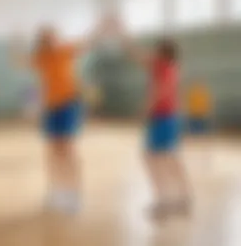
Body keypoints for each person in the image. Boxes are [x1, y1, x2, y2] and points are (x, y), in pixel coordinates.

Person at [12, 24, 105, 214]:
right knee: (53, 151)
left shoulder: (65, 50)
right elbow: (19, 62)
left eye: (51, 37)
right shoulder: (41, 58)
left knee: (68, 149)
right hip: (50, 108)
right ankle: (56, 190)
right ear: (41, 42)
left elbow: (88, 42)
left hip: (68, 105)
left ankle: (74, 194)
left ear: (57, 38)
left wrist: (101, 27)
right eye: (45, 38)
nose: (49, 40)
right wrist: (15, 44)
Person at [113, 20, 192, 220]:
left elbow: (161, 90)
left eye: (156, 49)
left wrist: (145, 109)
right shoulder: (169, 66)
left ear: (163, 53)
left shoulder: (163, 67)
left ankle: (166, 199)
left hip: (162, 117)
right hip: (168, 117)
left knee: (153, 157)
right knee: (166, 157)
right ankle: (180, 197)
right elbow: (136, 54)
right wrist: (122, 34)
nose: (153, 52)